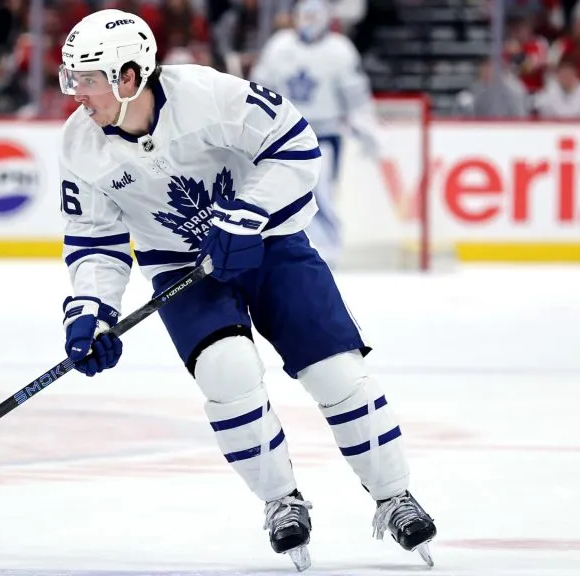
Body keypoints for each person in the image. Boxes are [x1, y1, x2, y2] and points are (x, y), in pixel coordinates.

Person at [56, 9, 436, 571]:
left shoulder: (209, 95)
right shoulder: (80, 144)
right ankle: (282, 501)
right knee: (226, 373)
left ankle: (394, 493)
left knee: (336, 371)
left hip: (271, 242)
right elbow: (95, 239)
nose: (76, 93)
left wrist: (247, 215)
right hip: (178, 260)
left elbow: (298, 148)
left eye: (87, 78)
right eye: (73, 78)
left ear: (129, 77)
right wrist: (91, 312)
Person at [250, 0, 384, 267]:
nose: (309, 21)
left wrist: (367, 128)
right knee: (282, 195)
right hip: (284, 136)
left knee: (320, 195)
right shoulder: (279, 46)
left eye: (314, 15)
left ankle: (328, 250)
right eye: (304, 15)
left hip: (325, 135)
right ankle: (290, 250)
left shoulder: (340, 50)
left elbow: (356, 96)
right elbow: (259, 91)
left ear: (326, 17)